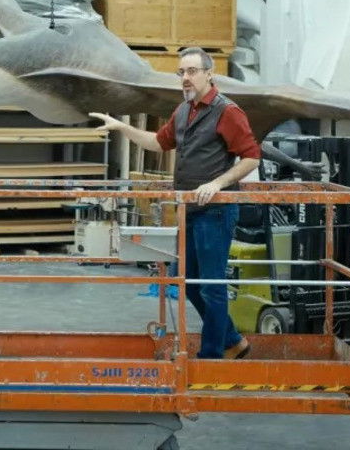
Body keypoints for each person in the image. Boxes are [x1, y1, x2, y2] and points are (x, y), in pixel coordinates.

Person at [91, 47, 261, 360]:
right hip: (190, 212)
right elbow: (158, 142)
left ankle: (211, 356)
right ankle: (234, 340)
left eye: (192, 71)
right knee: (190, 284)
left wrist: (217, 183)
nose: (185, 78)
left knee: (210, 285)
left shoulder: (227, 111)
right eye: (181, 72)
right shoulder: (183, 111)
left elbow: (251, 157)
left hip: (216, 212)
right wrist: (122, 127)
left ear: (209, 74)